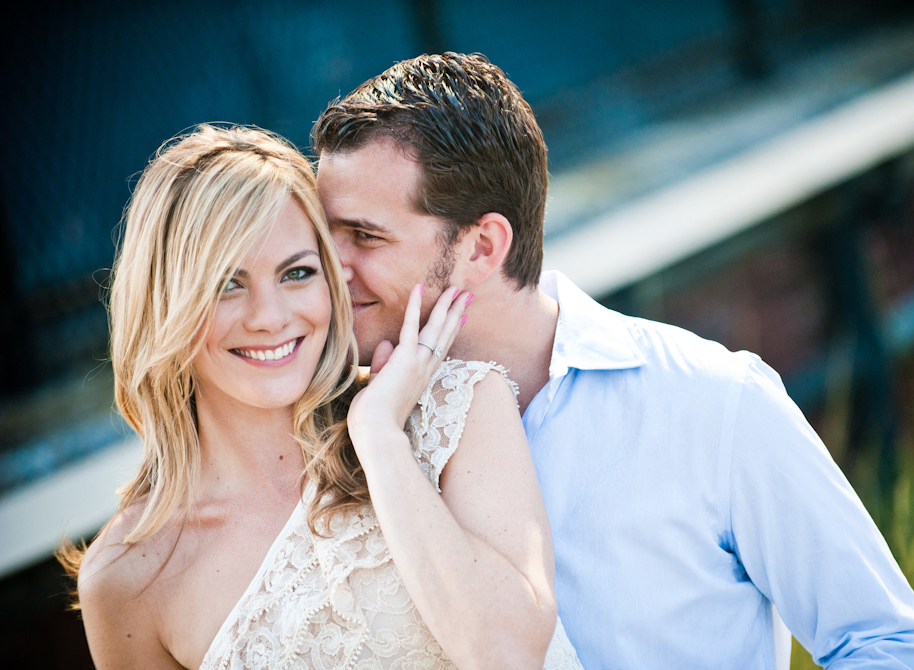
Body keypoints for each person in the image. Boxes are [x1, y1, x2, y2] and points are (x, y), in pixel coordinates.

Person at [312, 52, 914, 669]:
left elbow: (888, 645)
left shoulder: (711, 401)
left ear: (483, 246)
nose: (328, 272)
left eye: (365, 236)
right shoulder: (332, 435)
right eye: (323, 237)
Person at [64, 124, 584, 669]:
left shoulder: (456, 409)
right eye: (226, 284)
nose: (270, 317)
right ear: (165, 304)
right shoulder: (127, 578)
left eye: (296, 273)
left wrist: (381, 439)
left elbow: (508, 654)